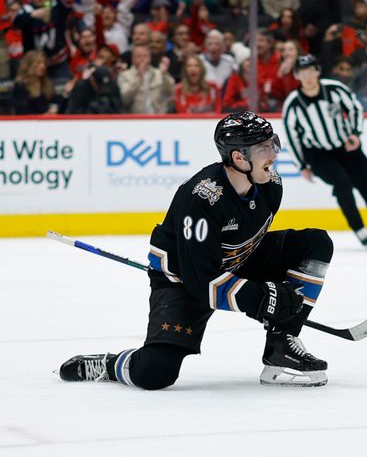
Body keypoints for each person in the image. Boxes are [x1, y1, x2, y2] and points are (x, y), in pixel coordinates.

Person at [59, 112, 334, 388]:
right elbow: (203, 283)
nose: (274, 154)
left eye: (273, 143)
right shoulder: (200, 200)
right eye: (264, 148)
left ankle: (280, 348)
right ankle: (109, 364)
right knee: (155, 372)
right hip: (184, 280)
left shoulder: (270, 185)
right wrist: (259, 297)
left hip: (235, 262)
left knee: (315, 243)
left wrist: (272, 307)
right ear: (239, 158)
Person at [282, 54, 367, 248]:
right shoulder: (293, 103)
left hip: (347, 147)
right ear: (297, 75)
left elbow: (355, 108)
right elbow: (292, 138)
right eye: (302, 72)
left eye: (311, 71)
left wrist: (356, 133)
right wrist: (302, 165)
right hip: (318, 154)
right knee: (342, 182)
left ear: (318, 71)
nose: (307, 76)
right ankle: (358, 228)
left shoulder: (335, 89)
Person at [117, 44, 175, 113]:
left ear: (150, 57)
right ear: (132, 59)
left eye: (145, 56)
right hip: (135, 119)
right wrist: (139, 78)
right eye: (139, 56)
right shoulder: (125, 75)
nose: (142, 59)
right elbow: (124, 99)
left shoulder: (159, 73)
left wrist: (164, 74)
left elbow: (172, 92)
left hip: (159, 118)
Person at [11, 50, 61, 114]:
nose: (42, 66)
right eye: (39, 63)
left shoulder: (47, 83)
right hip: (30, 122)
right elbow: (22, 111)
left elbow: (54, 102)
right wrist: (43, 117)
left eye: (44, 63)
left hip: (50, 121)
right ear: (30, 65)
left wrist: (54, 110)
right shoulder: (21, 85)